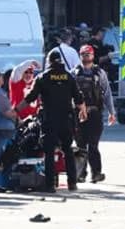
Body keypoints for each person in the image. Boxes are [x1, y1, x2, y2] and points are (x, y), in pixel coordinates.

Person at [15, 49, 86, 192]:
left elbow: (31, 98)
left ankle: (50, 185)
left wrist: (15, 111)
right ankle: (72, 183)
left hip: (49, 120)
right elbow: (78, 98)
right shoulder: (68, 77)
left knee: (49, 153)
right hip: (66, 119)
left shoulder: (43, 77)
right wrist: (83, 111)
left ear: (49, 61)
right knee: (68, 151)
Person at [74, 45, 116, 183]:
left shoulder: (100, 73)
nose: (86, 57)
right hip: (78, 114)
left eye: (88, 54)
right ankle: (81, 173)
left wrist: (111, 112)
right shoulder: (74, 72)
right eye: (83, 54)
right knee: (80, 145)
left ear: (93, 56)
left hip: (95, 113)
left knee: (93, 145)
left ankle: (96, 173)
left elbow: (107, 93)